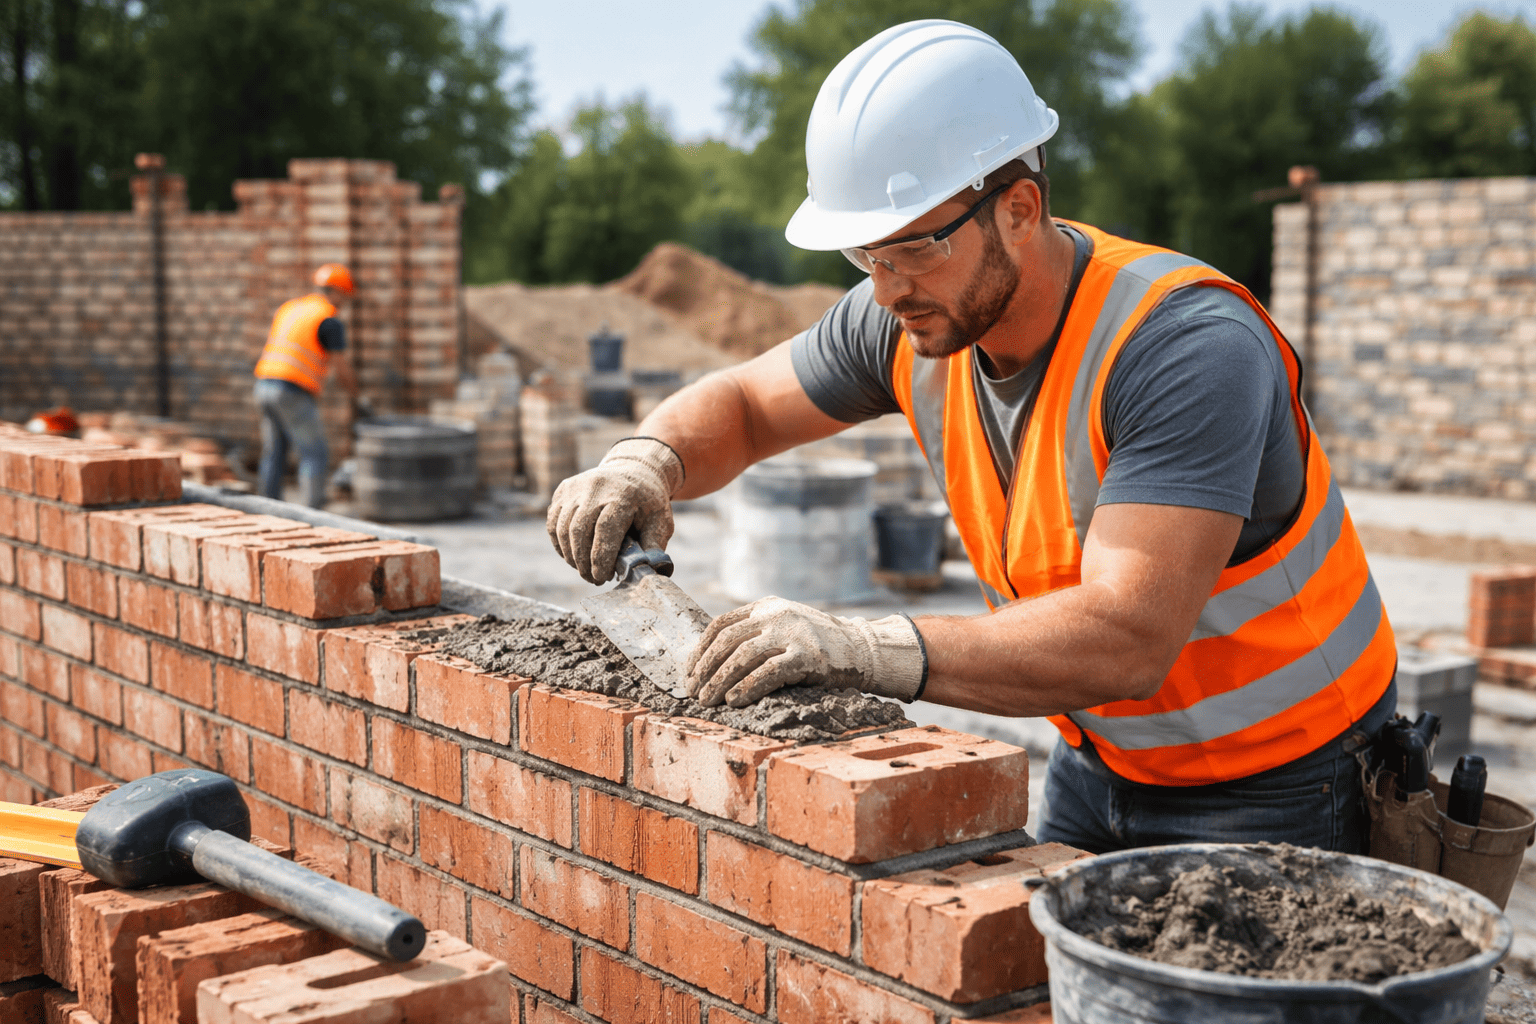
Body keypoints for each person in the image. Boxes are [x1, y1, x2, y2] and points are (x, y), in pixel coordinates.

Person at [546, 20, 1397, 855]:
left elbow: (1128, 634)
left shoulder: (1184, 347)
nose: (885, 290)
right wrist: (644, 460)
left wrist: (863, 646)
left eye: (913, 247)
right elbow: (743, 403)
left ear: (1019, 208)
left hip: (1285, 779)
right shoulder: (915, 316)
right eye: (865, 256)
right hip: (1099, 760)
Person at [253, 263, 363, 508]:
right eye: (344, 295)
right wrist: (358, 396)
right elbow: (341, 367)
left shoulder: (291, 308)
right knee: (315, 453)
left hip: (263, 386)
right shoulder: (328, 320)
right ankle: (312, 513)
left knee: (275, 452)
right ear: (336, 291)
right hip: (291, 391)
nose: (344, 302)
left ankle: (266, 509)